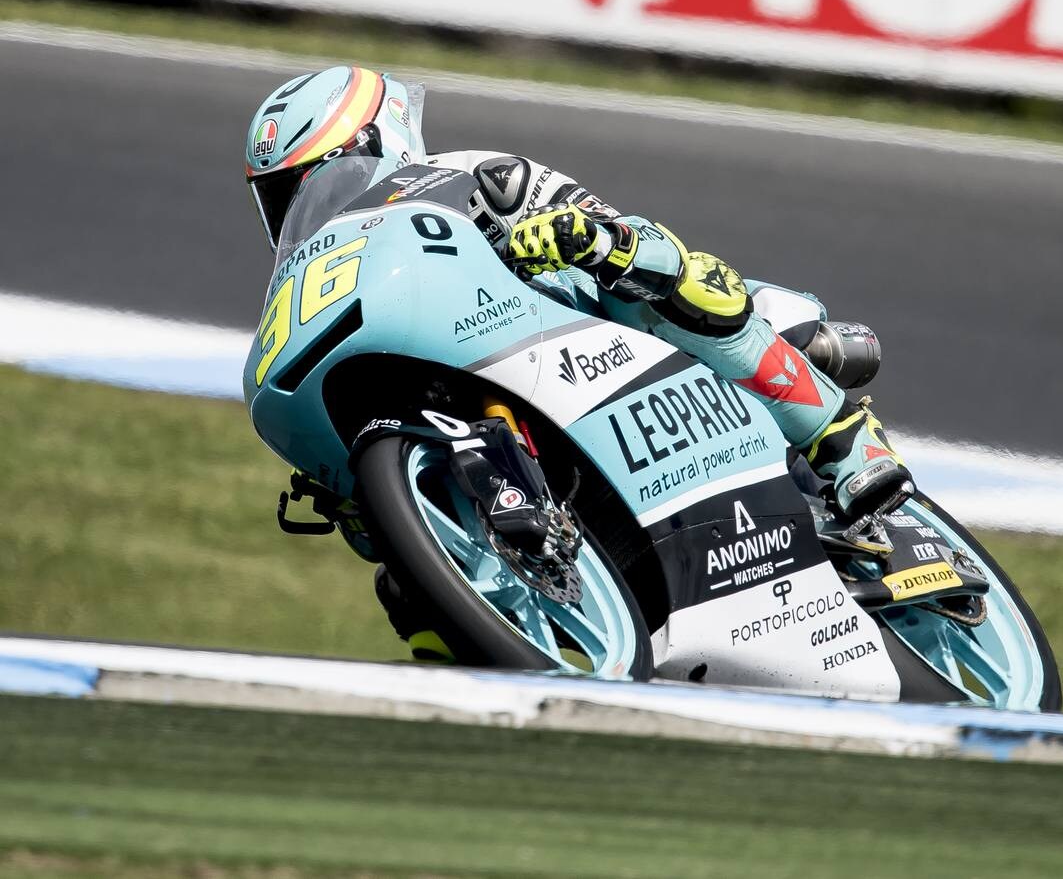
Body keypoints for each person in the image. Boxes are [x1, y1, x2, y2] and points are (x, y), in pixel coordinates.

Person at [246, 66, 913, 653]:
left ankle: (844, 442)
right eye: (283, 195)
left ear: (376, 139)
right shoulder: (329, 267)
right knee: (398, 578)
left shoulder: (468, 173)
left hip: (618, 328)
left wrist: (578, 236)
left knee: (654, 275)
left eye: (319, 177)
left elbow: (624, 233)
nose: (304, 205)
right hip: (510, 388)